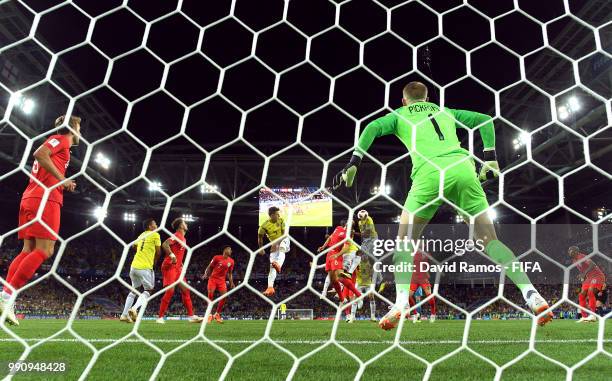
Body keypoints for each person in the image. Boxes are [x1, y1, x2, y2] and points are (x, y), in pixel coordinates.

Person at [333, 81, 552, 331]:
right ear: (427, 98)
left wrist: (354, 161)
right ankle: (531, 294)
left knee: (404, 242)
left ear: (404, 101)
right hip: (462, 169)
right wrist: (490, 159)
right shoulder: (444, 111)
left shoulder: (399, 114)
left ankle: (401, 303)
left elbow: (371, 126)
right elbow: (484, 119)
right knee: (490, 241)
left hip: (429, 173)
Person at [1, 115, 81, 326]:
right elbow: (39, 153)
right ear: (72, 129)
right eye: (79, 127)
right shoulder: (62, 139)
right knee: (45, 250)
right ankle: (7, 297)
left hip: (31, 197)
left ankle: (6, 298)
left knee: (28, 250)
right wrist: (62, 180)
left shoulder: (63, 147)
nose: (80, 132)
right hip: (45, 198)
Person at [156, 218, 203, 324]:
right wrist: (172, 256)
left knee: (186, 290)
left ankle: (191, 316)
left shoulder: (183, 238)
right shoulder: (177, 235)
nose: (186, 224)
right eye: (184, 223)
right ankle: (160, 317)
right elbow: (165, 244)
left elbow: (178, 251)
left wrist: (180, 262)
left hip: (177, 268)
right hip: (170, 266)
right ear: (181, 226)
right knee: (170, 291)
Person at [121, 218, 161, 323]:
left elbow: (134, 246)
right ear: (150, 226)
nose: (156, 225)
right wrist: (154, 263)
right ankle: (134, 309)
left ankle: (124, 315)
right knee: (148, 290)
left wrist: (142, 252)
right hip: (145, 267)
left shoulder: (141, 235)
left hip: (134, 266)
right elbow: (158, 252)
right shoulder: (155, 234)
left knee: (134, 290)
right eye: (155, 223)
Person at [569, 246, 606, 323]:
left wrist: (583, 273)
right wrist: (582, 276)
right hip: (589, 278)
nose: (569, 252)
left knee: (590, 292)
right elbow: (583, 270)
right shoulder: (574, 261)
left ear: (576, 251)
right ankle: (584, 316)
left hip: (597, 276)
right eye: (569, 251)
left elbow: (592, 264)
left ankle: (593, 316)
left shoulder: (581, 256)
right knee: (581, 295)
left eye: (571, 250)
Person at [258, 206, 290, 296]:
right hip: (274, 245)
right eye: (276, 214)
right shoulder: (263, 226)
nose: (278, 215)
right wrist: (261, 249)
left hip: (284, 240)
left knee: (282, 248)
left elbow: (285, 234)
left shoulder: (281, 220)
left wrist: (276, 243)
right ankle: (270, 287)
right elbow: (260, 238)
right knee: (272, 266)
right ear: (272, 215)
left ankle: (279, 265)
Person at [202, 245, 235, 323]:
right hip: (213, 279)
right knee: (210, 295)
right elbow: (210, 266)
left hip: (222, 281)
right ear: (225, 250)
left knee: (224, 296)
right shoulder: (217, 257)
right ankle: (209, 315)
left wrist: (232, 283)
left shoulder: (231, 261)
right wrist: (206, 274)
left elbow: (230, 273)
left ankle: (217, 314)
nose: (231, 251)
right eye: (230, 249)